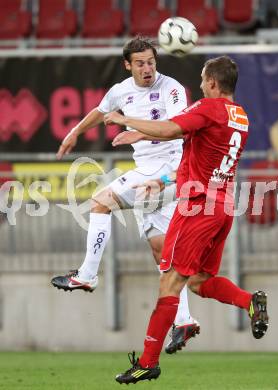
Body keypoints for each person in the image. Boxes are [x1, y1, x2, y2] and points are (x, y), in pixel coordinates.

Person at [104, 55, 269, 384]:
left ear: (212, 83)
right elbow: (195, 151)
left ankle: (148, 362)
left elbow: (169, 127)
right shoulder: (240, 117)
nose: (199, 85)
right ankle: (249, 301)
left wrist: (127, 120)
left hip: (196, 207)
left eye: (202, 79)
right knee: (198, 281)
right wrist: (163, 180)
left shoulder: (209, 108)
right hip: (221, 207)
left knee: (170, 282)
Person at [50, 37, 200, 354]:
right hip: (151, 175)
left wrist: (135, 129)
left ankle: (88, 275)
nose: (147, 69)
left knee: (100, 202)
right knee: (163, 255)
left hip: (167, 170)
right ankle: (184, 320)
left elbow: (178, 127)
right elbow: (100, 110)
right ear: (127, 65)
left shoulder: (171, 88)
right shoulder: (121, 90)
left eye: (151, 62)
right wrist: (75, 132)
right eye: (141, 63)